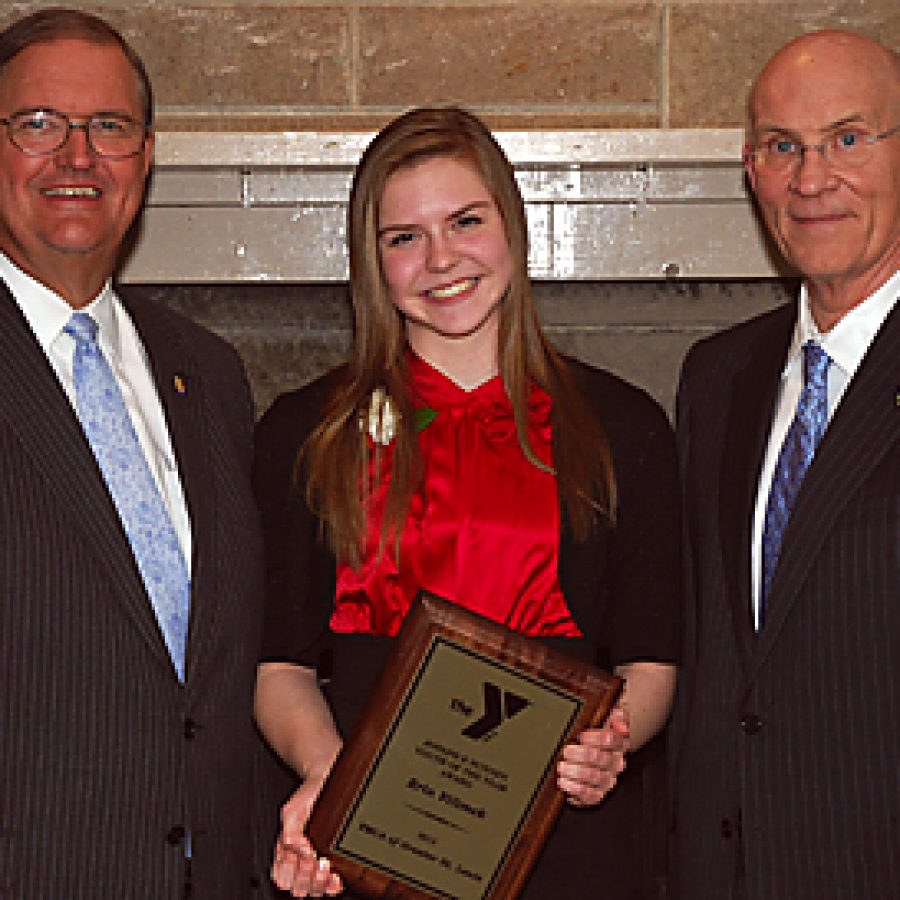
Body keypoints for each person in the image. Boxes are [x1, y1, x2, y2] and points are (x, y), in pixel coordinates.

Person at [253, 105, 681, 899]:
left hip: (567, 838)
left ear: (512, 229)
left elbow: (650, 658)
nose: (440, 258)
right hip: (371, 842)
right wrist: (330, 776)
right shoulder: (306, 432)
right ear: (371, 261)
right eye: (404, 237)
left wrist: (611, 741)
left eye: (465, 221)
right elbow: (278, 664)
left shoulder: (624, 426)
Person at [0, 9, 263, 897]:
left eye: (107, 128)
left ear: (145, 157)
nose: (76, 157)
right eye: (38, 124)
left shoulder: (209, 374)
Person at [670, 29, 898, 900]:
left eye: (847, 138)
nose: (812, 180)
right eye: (782, 147)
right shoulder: (718, 376)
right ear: (751, 169)